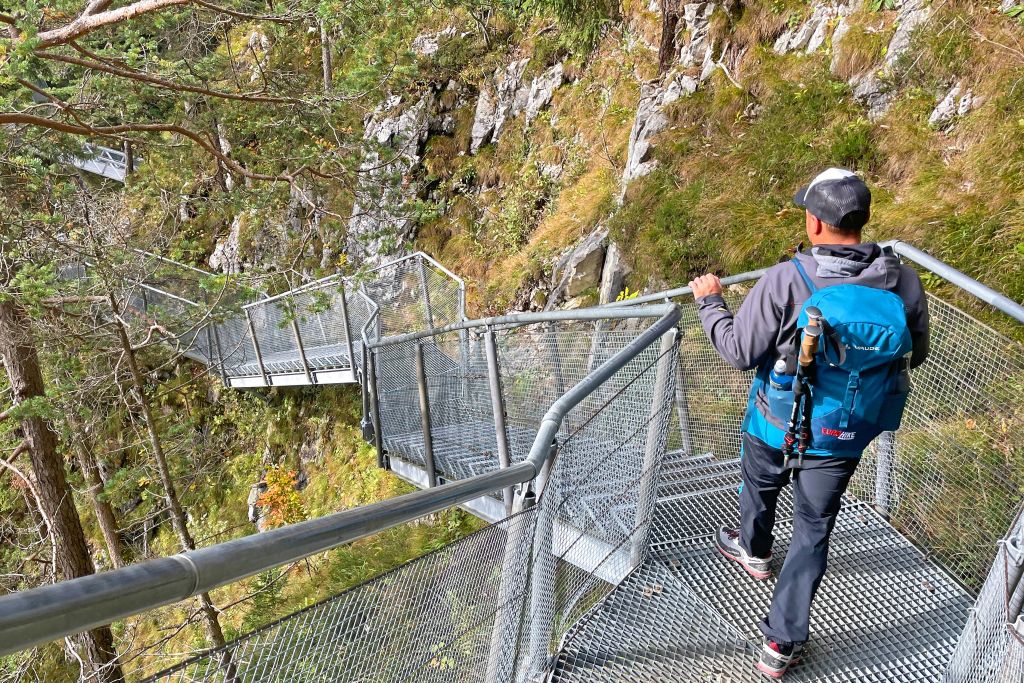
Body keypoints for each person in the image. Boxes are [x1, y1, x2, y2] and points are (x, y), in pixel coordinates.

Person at [687, 168, 930, 679]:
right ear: (862, 220)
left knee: (760, 479)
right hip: (843, 430)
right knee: (813, 530)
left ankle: (753, 550)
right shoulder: (902, 280)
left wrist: (711, 302)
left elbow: (738, 350)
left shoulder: (787, 279)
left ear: (816, 223)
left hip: (777, 418)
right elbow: (917, 355)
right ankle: (780, 644)